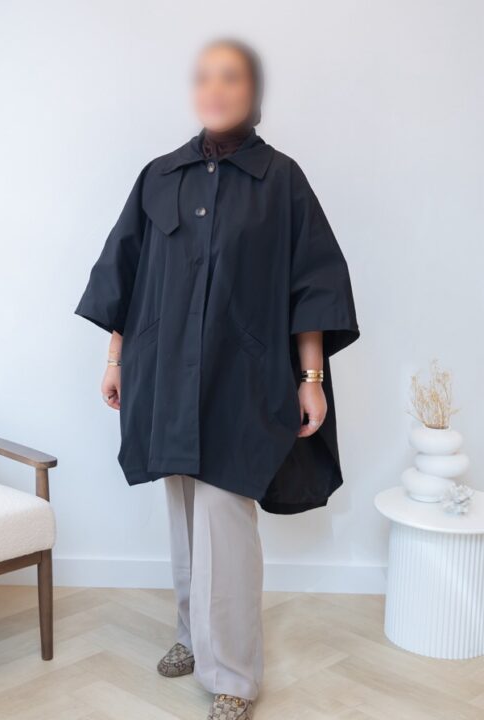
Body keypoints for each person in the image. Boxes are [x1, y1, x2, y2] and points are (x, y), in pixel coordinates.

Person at [76, 38, 359, 720]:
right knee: (181, 515)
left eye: (231, 77)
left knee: (226, 524)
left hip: (243, 376)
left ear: (253, 92)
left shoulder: (281, 180)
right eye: (204, 77)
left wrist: (311, 377)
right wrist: (115, 360)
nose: (215, 88)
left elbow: (312, 282)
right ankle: (191, 636)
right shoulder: (159, 176)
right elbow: (125, 276)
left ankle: (232, 674)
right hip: (162, 372)